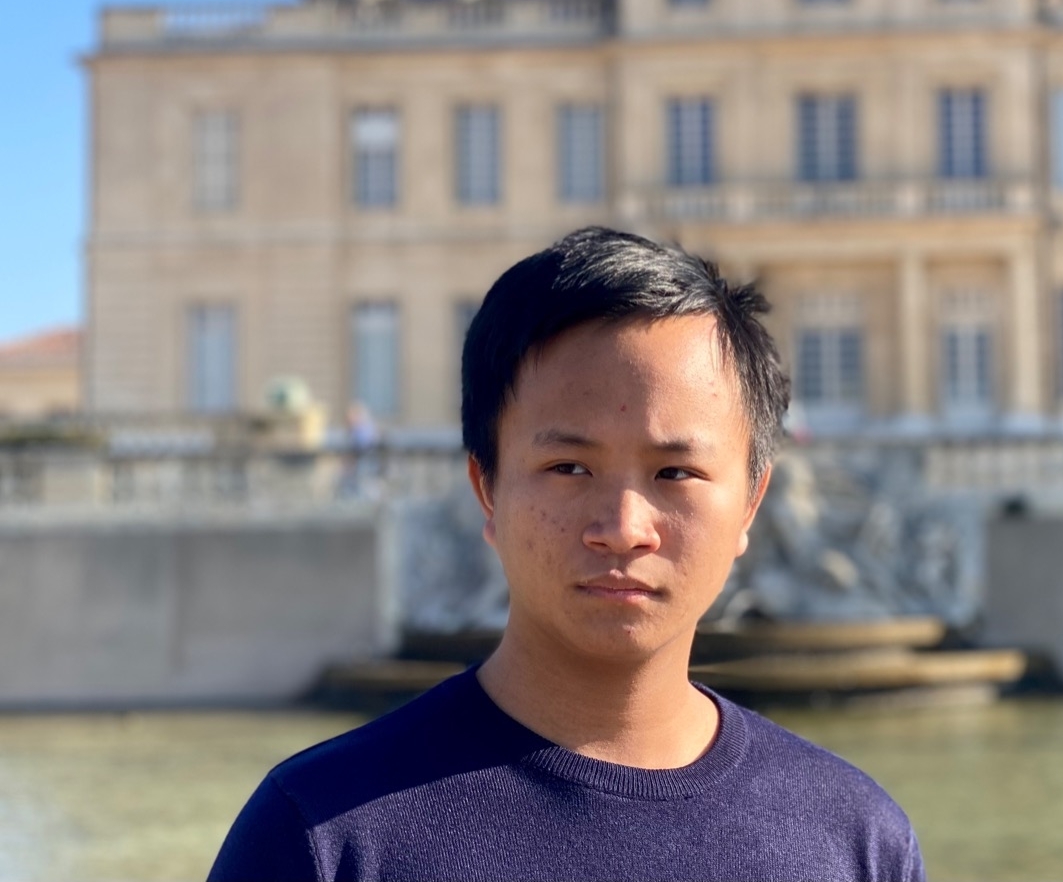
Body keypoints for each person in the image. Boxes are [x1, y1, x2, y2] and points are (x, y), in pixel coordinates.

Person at [209, 227, 925, 882]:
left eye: (675, 472)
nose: (623, 528)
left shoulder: (860, 842)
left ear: (751, 503)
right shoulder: (319, 836)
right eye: (569, 468)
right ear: (486, 489)